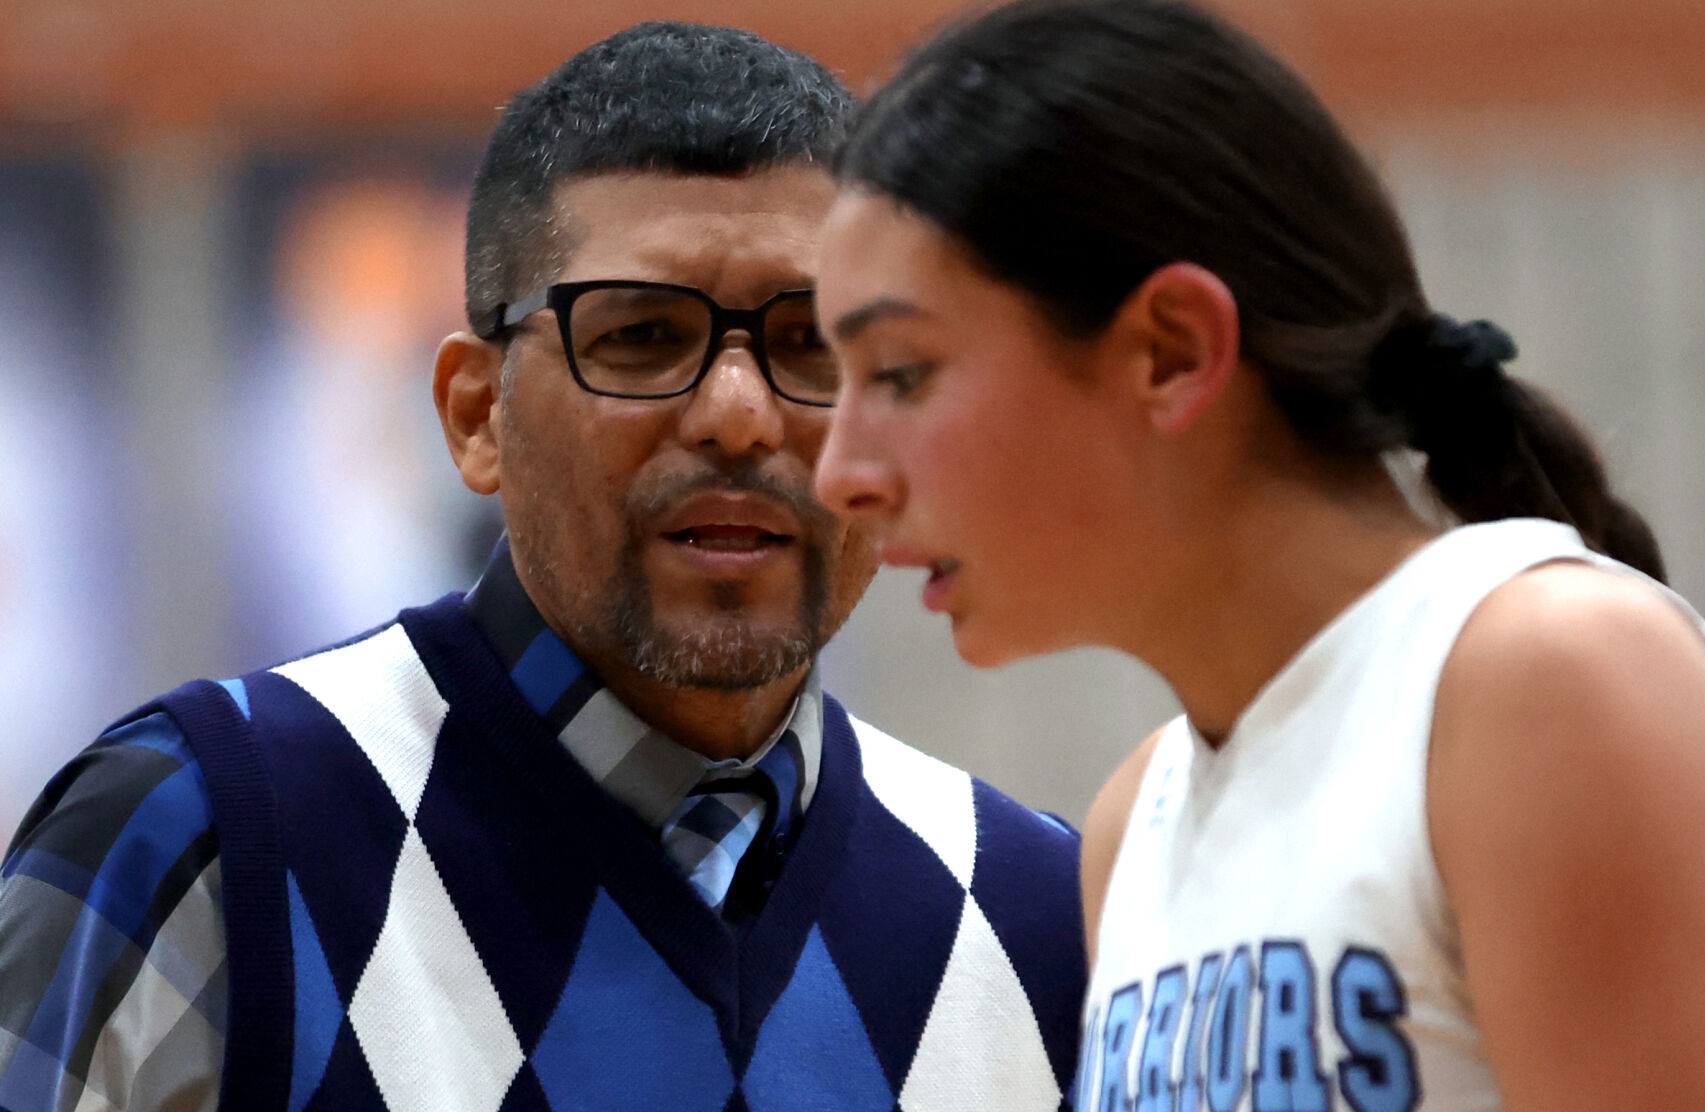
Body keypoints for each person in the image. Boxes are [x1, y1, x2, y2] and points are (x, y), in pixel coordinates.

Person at [0, 23, 1086, 1112]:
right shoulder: (201, 833)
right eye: (643, 335)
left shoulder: (1044, 914)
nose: (739, 414)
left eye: (813, 342)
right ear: (476, 415)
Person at [811, 1, 1705, 1110]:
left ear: (1170, 350)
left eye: (901, 373)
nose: (839, 472)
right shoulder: (1131, 823)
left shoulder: (1547, 677)